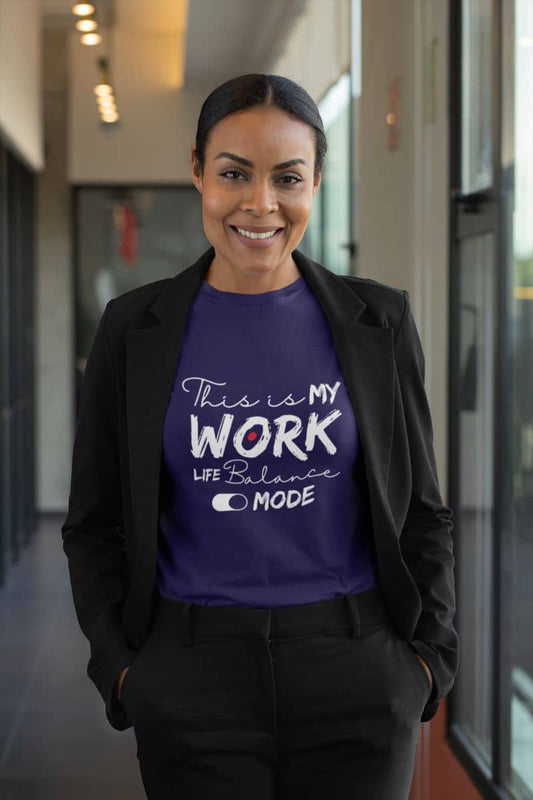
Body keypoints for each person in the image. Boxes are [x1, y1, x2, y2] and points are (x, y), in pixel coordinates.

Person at [62, 73, 459, 800]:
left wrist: (428, 660)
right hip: (190, 676)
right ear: (197, 172)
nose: (261, 203)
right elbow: (93, 523)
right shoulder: (133, 328)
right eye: (234, 174)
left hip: (357, 669)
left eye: (288, 178)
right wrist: (121, 668)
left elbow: (422, 510)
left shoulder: (378, 322)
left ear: (316, 182)